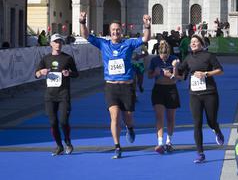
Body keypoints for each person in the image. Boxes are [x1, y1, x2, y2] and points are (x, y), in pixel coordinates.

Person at [79, 12, 151, 159]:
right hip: (111, 87)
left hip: (127, 86)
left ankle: (130, 128)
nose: (115, 32)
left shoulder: (128, 43)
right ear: (109, 32)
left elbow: (145, 38)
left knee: (128, 117)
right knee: (115, 117)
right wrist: (82, 22)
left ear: (121, 31)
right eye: (113, 30)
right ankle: (117, 146)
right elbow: (86, 36)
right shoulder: (103, 44)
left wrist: (147, 25)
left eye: (118, 30)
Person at [177, 34, 224, 163]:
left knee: (211, 121)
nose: (192, 43)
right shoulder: (188, 58)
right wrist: (174, 67)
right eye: (191, 42)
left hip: (209, 93)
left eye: (195, 41)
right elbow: (180, 74)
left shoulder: (208, 56)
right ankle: (200, 153)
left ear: (201, 44)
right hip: (194, 95)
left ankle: (217, 129)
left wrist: (206, 74)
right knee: (197, 124)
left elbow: (220, 70)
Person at [35, 33, 79, 156]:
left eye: (60, 42)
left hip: (63, 94)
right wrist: (41, 72)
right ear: (51, 44)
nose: (58, 44)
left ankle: (68, 142)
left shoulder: (67, 58)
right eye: (55, 42)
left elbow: (76, 74)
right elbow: (36, 74)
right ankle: (59, 146)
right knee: (53, 123)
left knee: (63, 121)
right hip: (49, 96)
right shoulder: (46, 58)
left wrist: (68, 73)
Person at [148, 40, 182, 154]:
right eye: (162, 55)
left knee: (170, 118)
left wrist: (174, 70)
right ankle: (160, 142)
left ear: (169, 53)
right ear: (159, 53)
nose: (164, 58)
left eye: (166, 55)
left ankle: (169, 141)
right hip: (158, 89)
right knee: (159, 116)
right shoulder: (154, 60)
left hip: (171, 90)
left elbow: (179, 77)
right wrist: (155, 73)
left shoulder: (174, 59)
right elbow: (149, 76)